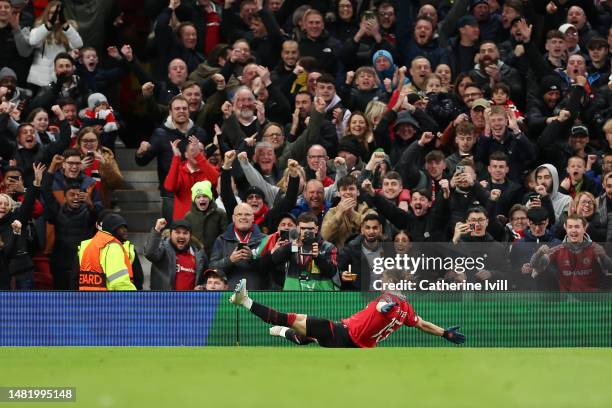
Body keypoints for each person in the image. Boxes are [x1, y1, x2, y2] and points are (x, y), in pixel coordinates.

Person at [229, 276, 465, 348]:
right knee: (304, 335)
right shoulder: (406, 310)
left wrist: (386, 305)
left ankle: (245, 301)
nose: (384, 287)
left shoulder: (386, 302)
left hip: (343, 335)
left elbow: (384, 308)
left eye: (387, 284)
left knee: (293, 318)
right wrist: (445, 334)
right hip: (351, 341)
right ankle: (280, 333)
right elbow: (422, 324)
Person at [530, 214, 612, 291]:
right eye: (570, 227)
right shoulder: (557, 250)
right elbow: (534, 266)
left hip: (592, 300)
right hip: (567, 302)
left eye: (577, 227)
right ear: (565, 228)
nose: (573, 230)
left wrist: (603, 256)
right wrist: (539, 253)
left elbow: (610, 269)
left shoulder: (595, 248)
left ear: (584, 227)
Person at [267, 212, 339, 291]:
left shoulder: (328, 247)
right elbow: (274, 260)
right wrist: (289, 247)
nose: (306, 232)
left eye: (310, 229)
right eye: (303, 228)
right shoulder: (290, 245)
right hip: (294, 296)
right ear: (297, 228)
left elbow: (332, 272)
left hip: (320, 296)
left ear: (316, 229)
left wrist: (318, 257)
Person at [76, 213, 136, 291]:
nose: (125, 230)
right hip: (107, 299)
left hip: (88, 298)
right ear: (112, 229)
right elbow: (119, 282)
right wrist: (134, 298)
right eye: (120, 227)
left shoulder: (89, 245)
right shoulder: (112, 246)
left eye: (125, 227)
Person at [144, 218, 207, 291]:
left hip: (190, 301)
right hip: (164, 300)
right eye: (177, 232)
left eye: (185, 233)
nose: (181, 236)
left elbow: (206, 279)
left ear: (190, 236)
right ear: (170, 234)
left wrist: (202, 287)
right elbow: (150, 254)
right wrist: (157, 230)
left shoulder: (198, 255)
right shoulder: (162, 249)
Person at [184, 180, 227, 258]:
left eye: (205, 196)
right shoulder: (188, 217)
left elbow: (225, 235)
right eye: (198, 197)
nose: (202, 199)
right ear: (194, 200)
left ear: (210, 198)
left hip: (216, 255)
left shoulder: (220, 214)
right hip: (196, 256)